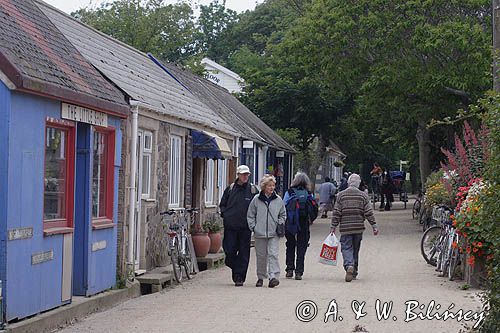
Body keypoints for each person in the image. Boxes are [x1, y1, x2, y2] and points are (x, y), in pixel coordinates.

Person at [331, 173, 379, 282]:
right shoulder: (363, 196)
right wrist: (374, 226)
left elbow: (337, 212)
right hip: (358, 227)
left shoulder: (341, 195)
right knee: (355, 249)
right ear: (359, 184)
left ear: (348, 183)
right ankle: (354, 271)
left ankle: (349, 265)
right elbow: (368, 212)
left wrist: (333, 226)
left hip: (345, 227)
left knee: (346, 247)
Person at [219, 165, 259, 286]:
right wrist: (225, 214)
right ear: (238, 175)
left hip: (245, 227)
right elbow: (223, 204)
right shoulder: (230, 189)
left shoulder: (253, 190)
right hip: (231, 226)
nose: (245, 176)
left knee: (243, 252)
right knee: (229, 251)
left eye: (247, 174)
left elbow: (258, 206)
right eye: (243, 174)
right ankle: (235, 268)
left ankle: (239, 277)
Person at [247, 175, 286, 288]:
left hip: (273, 233)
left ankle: (273, 277)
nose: (272, 188)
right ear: (264, 187)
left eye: (273, 185)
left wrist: (280, 222)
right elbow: (250, 215)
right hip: (260, 233)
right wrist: (254, 227)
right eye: (269, 185)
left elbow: (283, 214)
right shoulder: (256, 199)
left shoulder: (278, 200)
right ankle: (260, 277)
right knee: (261, 256)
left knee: (273, 254)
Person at [283, 172, 317, 280]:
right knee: (302, 247)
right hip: (304, 222)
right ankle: (299, 272)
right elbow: (314, 207)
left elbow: (283, 205)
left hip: (291, 222)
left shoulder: (289, 192)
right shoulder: (308, 193)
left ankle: (289, 269)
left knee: (290, 245)